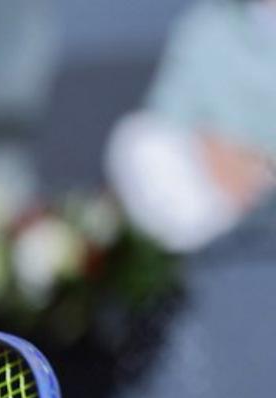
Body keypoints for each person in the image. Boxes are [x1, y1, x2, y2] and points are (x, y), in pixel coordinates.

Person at [105, 0, 276, 252]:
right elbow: (166, 113)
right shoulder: (208, 25)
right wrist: (212, 149)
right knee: (136, 139)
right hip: (213, 175)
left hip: (263, 174)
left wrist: (258, 166)